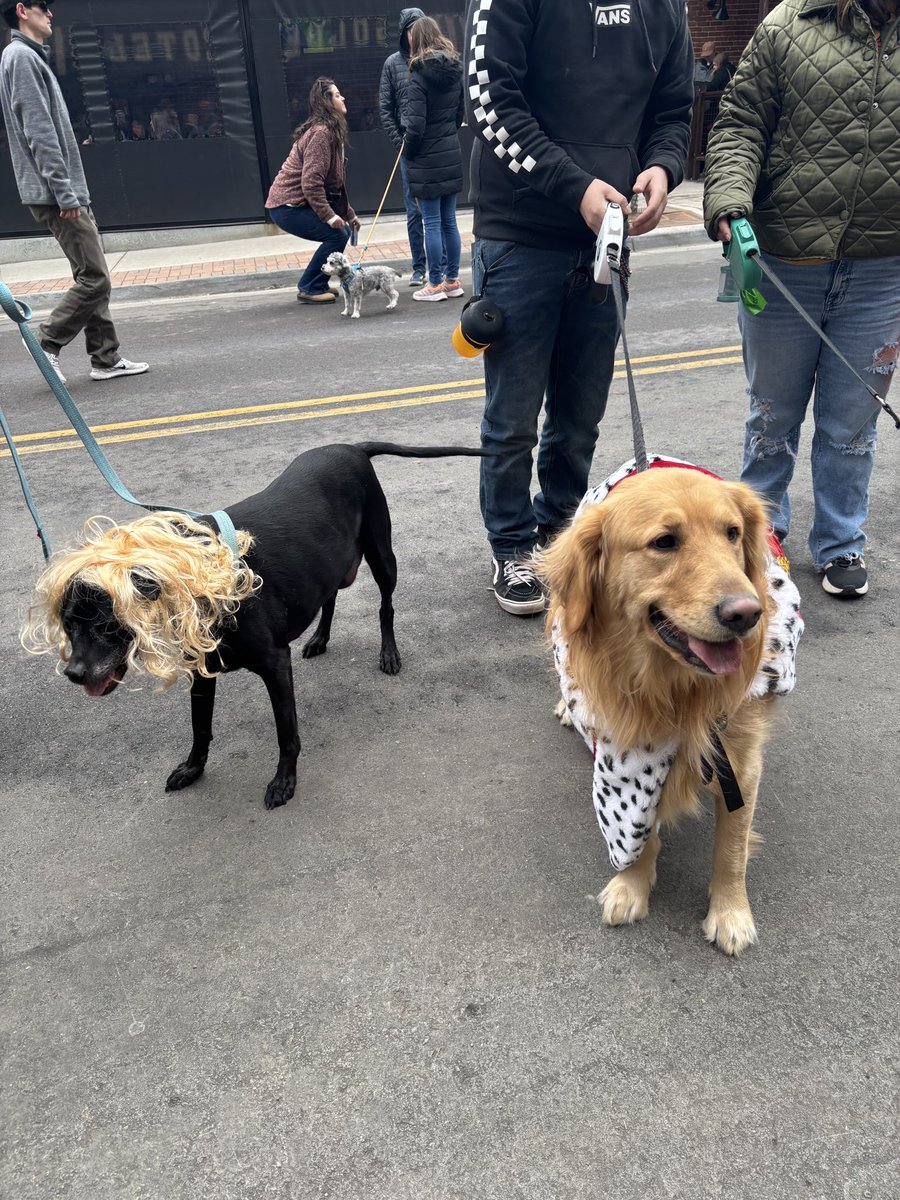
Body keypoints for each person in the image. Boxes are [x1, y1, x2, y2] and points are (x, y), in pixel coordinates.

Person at [464, 0, 694, 614]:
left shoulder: (665, 6)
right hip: (521, 234)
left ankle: (557, 533)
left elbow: (673, 110)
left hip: (607, 238)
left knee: (580, 416)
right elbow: (490, 106)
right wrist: (575, 186)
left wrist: (662, 167)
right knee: (513, 418)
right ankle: (511, 546)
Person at [703, 0, 900, 600]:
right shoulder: (790, 22)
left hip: (882, 268)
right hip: (783, 259)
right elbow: (739, 123)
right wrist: (729, 201)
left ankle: (842, 542)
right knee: (772, 416)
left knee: (853, 421)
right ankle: (761, 539)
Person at [0, 1, 149, 383]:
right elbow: (39, 131)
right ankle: (47, 342)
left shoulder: (28, 57)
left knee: (89, 273)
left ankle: (105, 358)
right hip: (55, 194)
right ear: (22, 10)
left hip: (62, 190)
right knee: (96, 277)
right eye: (43, 7)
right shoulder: (20, 57)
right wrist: (64, 192)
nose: (50, 14)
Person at [265, 77, 360, 305]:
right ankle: (310, 286)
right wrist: (330, 217)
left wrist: (348, 214)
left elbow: (334, 185)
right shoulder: (321, 134)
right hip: (286, 206)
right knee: (337, 234)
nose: (343, 98)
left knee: (342, 231)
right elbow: (311, 183)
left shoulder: (331, 132)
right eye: (337, 95)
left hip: (296, 203)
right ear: (327, 102)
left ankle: (318, 283)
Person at [402, 16, 464, 302]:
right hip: (450, 151)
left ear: (418, 38)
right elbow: (459, 115)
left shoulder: (418, 75)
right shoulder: (455, 69)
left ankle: (435, 283)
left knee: (432, 222)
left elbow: (414, 127)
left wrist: (409, 152)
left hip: (426, 156)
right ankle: (453, 280)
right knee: (449, 220)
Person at [379, 7, 430, 288]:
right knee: (414, 210)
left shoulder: (434, 61)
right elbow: (385, 109)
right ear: (404, 34)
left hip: (433, 147)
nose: (415, 35)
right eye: (411, 30)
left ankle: (441, 268)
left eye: (418, 28)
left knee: (438, 213)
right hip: (407, 148)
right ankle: (418, 267)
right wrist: (400, 142)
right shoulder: (392, 64)